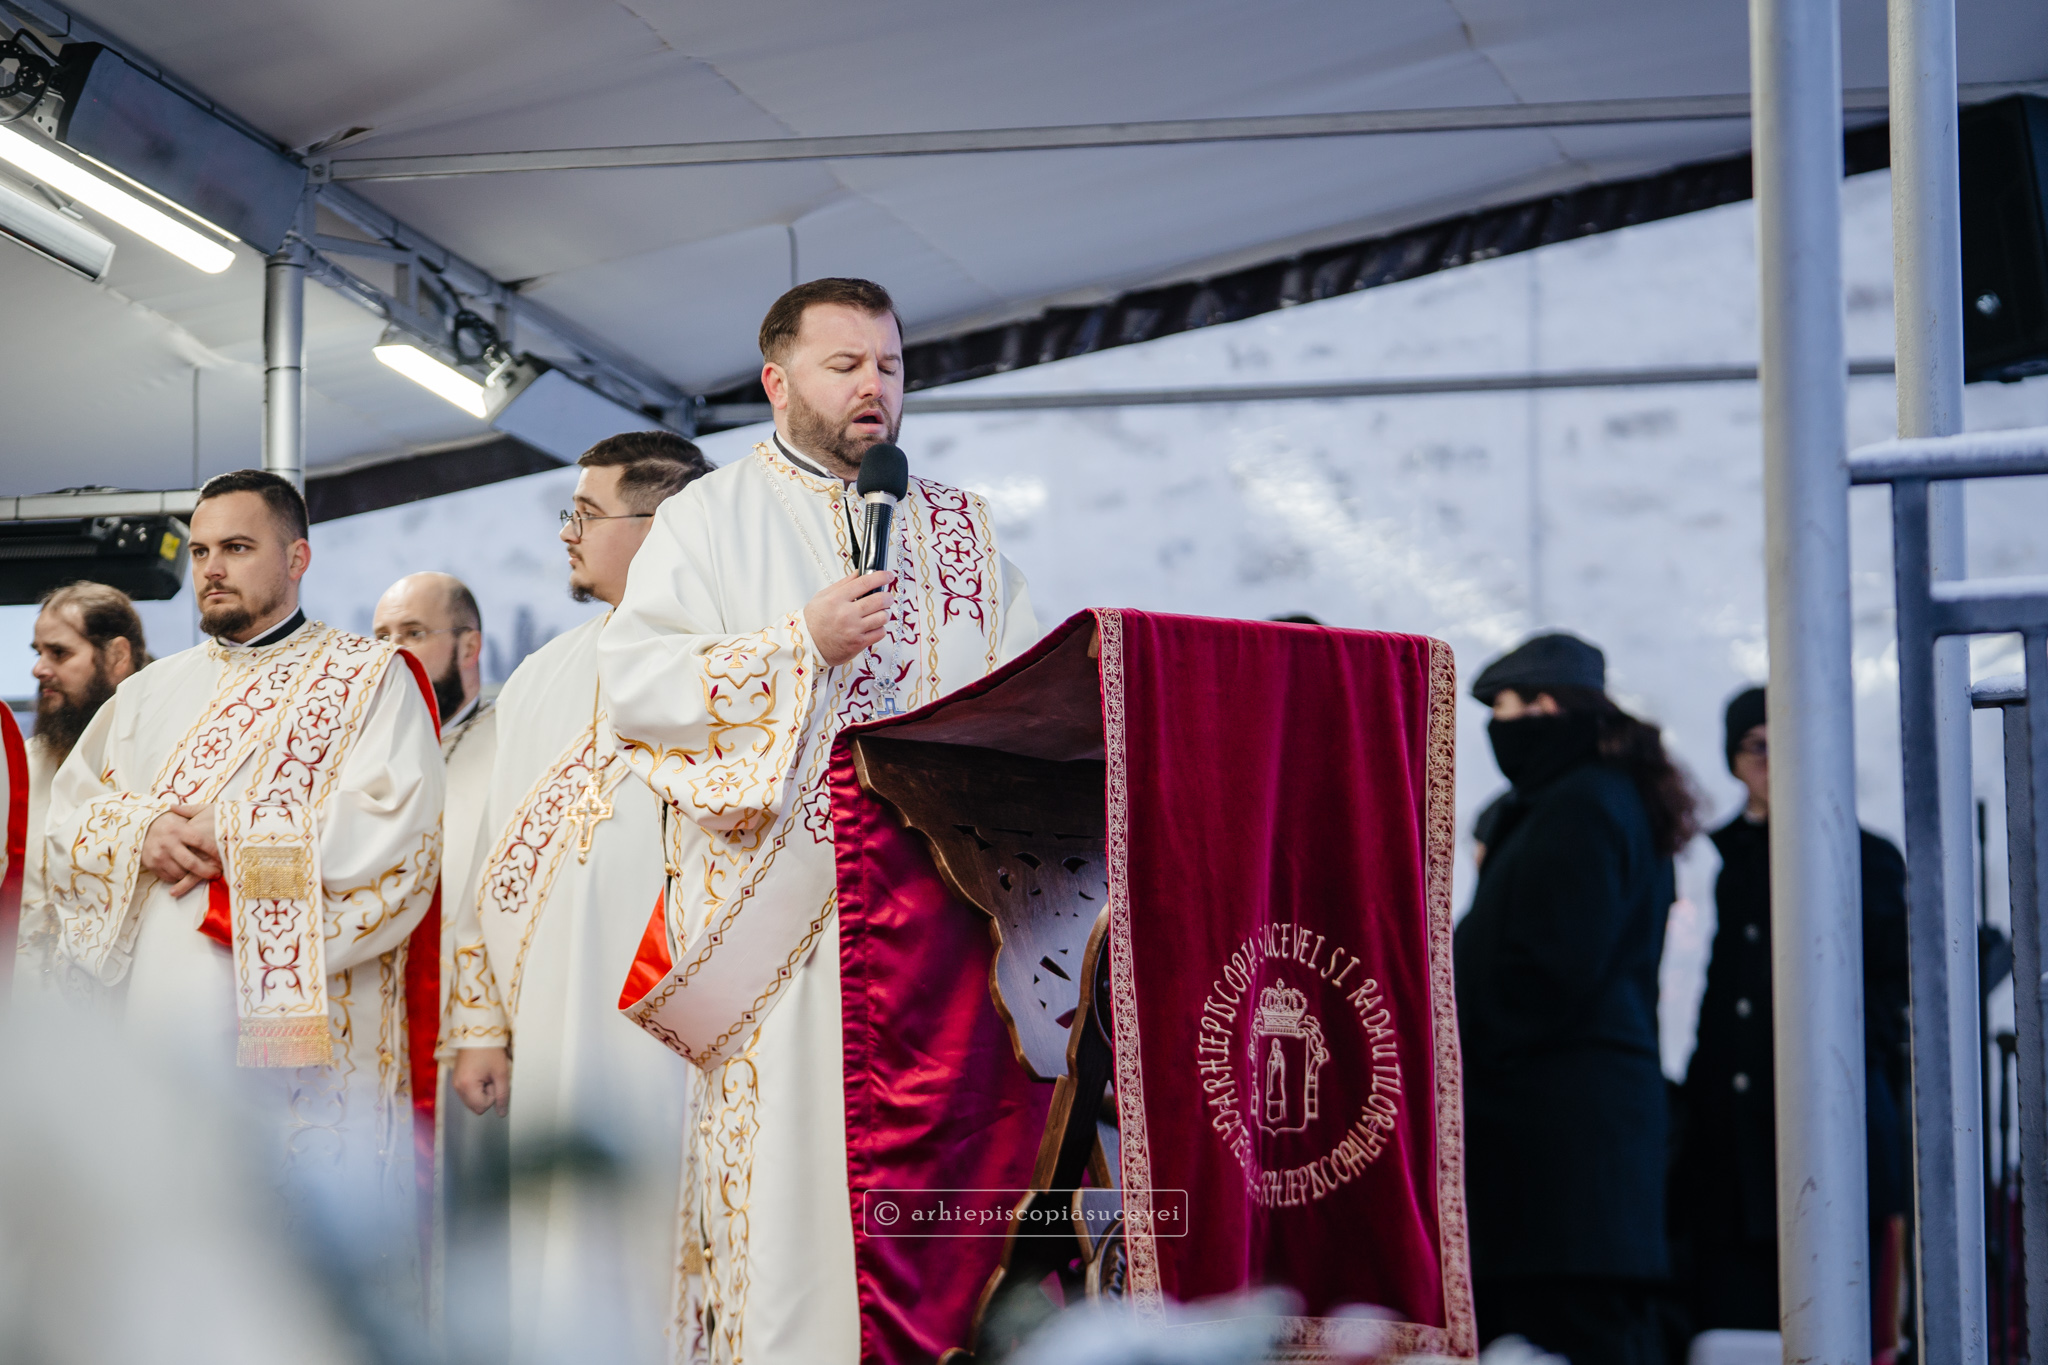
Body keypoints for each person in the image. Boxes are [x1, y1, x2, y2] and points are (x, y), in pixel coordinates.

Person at [597, 277, 1040, 1363]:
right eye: (844, 366)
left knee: (945, 1210)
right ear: (777, 381)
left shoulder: (961, 527)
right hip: (790, 947)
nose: (872, 386)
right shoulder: (709, 519)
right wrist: (797, 645)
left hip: (950, 938)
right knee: (794, 1205)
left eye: (888, 366)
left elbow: (1027, 692)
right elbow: (639, 687)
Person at [42, 469, 444, 1295]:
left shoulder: (370, 677)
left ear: (297, 557)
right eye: (199, 551)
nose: (212, 568)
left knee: (291, 1270)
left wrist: (231, 830)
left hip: (302, 1035)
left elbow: (398, 836)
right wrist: (142, 832)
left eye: (235, 547)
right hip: (162, 1015)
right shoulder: (147, 694)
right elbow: (67, 822)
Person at [444, 432, 709, 1364]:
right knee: (564, 1236)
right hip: (553, 1014)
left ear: (662, 526)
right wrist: (480, 1024)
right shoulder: (541, 674)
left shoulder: (730, 657)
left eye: (587, 515)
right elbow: (489, 860)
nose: (568, 533)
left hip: (677, 1012)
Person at [1453, 631, 1696, 1365]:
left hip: (1560, 1166)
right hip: (1569, 1166)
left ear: (1554, 707)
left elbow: (1546, 970)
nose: (1501, 726)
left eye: (1512, 706)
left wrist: (1453, 1040)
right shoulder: (1594, 798)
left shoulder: (1580, 806)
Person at [1671, 687, 1910, 1344]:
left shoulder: (1865, 854)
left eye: (1788, 743)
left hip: (1833, 1130)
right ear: (1734, 757)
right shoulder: (1714, 857)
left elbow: (1890, 985)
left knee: (1837, 1325)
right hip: (1728, 1145)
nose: (1774, 760)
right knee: (1734, 1331)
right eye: (1757, 745)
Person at [15, 582, 149, 995]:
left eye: (59, 653)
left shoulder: (164, 761)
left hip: (123, 1003)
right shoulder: (24, 764)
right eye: (38, 653)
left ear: (117, 656)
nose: (39, 669)